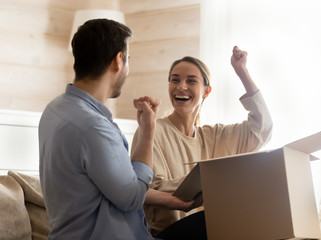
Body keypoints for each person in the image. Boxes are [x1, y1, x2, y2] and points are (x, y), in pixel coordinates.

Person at [130, 46, 273, 237]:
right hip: (165, 233)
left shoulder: (213, 136)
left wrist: (242, 72)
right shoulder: (150, 129)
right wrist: (213, 183)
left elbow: (262, 128)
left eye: (191, 81)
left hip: (206, 228)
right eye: (175, 80)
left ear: (206, 91)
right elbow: (153, 188)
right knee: (218, 219)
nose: (181, 86)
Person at [39, 19, 160, 240]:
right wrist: (148, 132)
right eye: (128, 58)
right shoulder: (92, 127)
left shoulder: (54, 108)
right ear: (118, 60)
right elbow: (132, 197)